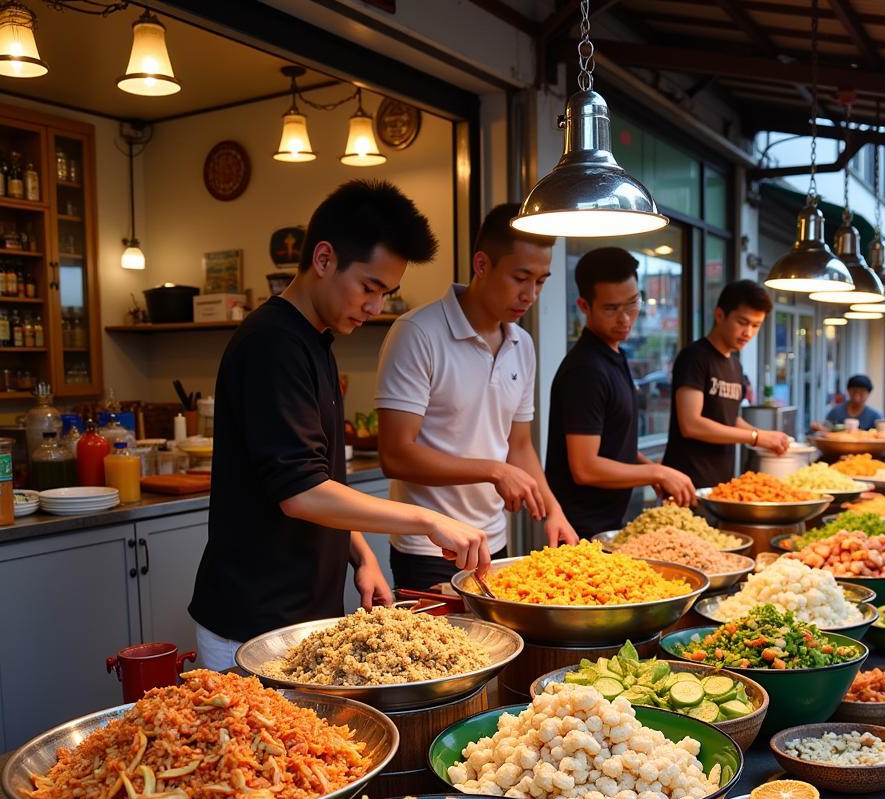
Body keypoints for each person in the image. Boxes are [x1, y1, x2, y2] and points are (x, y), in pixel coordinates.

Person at [189, 181, 490, 670]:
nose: (375, 307)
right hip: (251, 622)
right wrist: (429, 519)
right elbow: (300, 492)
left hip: (300, 617)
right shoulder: (272, 344)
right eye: (369, 287)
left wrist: (361, 555)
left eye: (386, 293)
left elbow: (316, 476)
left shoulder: (316, 342)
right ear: (324, 259)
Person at [377, 203, 578, 592]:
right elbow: (395, 454)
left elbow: (518, 446)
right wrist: (494, 470)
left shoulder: (522, 343)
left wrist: (554, 510)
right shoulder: (417, 333)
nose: (531, 294)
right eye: (521, 277)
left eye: (541, 281)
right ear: (482, 264)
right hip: (430, 547)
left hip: (494, 540)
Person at [544, 248, 695, 539]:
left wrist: (650, 468)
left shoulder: (615, 354)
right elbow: (585, 467)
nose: (625, 318)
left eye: (632, 303)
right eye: (611, 309)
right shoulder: (586, 369)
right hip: (580, 530)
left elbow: (615, 443)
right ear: (584, 306)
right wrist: (658, 473)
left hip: (609, 521)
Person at [662, 279, 790, 488]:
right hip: (685, 483)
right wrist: (755, 437)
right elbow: (690, 424)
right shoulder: (694, 357)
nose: (748, 333)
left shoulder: (735, 366)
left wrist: (766, 436)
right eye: (742, 322)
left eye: (756, 325)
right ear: (720, 315)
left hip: (720, 483)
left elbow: (729, 418)